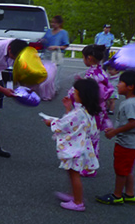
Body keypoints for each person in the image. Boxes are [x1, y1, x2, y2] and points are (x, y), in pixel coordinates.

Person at [44, 78, 100, 212]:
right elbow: (80, 126)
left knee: (74, 174)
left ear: (82, 94)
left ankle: (78, 202)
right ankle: (74, 195)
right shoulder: (86, 111)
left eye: (75, 92)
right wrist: (68, 108)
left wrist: (50, 122)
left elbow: (64, 124)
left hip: (76, 149)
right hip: (80, 147)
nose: (73, 94)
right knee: (71, 172)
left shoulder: (79, 113)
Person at [96, 70, 135, 205]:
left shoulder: (130, 104)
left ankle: (117, 196)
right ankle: (129, 194)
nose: (117, 85)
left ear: (130, 86)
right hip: (131, 142)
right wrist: (114, 129)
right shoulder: (132, 101)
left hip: (128, 143)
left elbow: (133, 123)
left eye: (121, 82)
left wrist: (114, 132)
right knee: (127, 168)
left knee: (121, 169)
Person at [72, 44, 112, 177]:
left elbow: (87, 93)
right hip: (99, 109)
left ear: (89, 58)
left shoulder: (91, 74)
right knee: (94, 138)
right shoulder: (102, 72)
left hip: (90, 110)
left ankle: (89, 167)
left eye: (83, 57)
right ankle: (90, 165)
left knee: (86, 138)